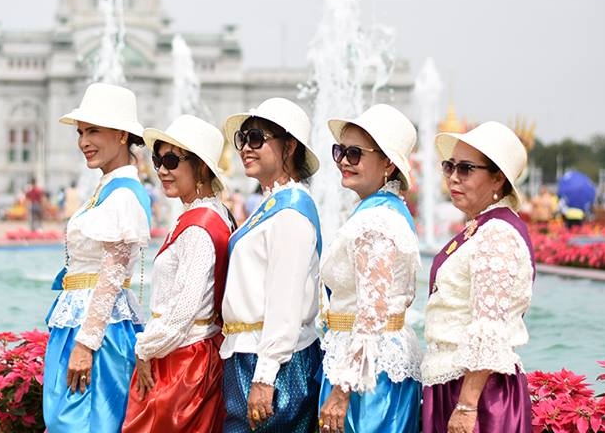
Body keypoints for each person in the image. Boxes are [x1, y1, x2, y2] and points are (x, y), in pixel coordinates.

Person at [42, 83, 152, 433]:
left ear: (121, 135)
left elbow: (112, 273)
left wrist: (85, 345)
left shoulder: (123, 195)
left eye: (93, 131)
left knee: (83, 424)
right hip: (81, 318)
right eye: (80, 132)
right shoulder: (107, 187)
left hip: (95, 328)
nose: (83, 142)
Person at [422, 121, 535, 433]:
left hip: (478, 395)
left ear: (498, 177)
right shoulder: (482, 227)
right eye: (449, 166)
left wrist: (467, 405)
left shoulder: (497, 234)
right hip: (456, 382)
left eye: (467, 168)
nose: (453, 177)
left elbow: (489, 326)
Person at [123, 115, 233, 433]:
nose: (161, 170)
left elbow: (183, 313)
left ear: (200, 166)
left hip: (183, 361)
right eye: (158, 160)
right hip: (186, 353)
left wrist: (144, 350)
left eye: (171, 160)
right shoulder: (209, 214)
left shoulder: (199, 227)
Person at [219, 97, 323, 433]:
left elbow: (285, 300)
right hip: (250, 353)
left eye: (256, 139)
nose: (245, 148)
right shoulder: (270, 205)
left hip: (272, 362)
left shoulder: (291, 212)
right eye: (243, 139)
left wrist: (264, 377)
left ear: (289, 146)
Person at [318, 105, 422, 433]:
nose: (344, 161)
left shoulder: (376, 220)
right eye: (340, 151)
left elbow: (372, 313)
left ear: (388, 163)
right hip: (368, 361)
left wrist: (341, 389)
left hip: (367, 374)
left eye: (355, 153)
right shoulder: (384, 211)